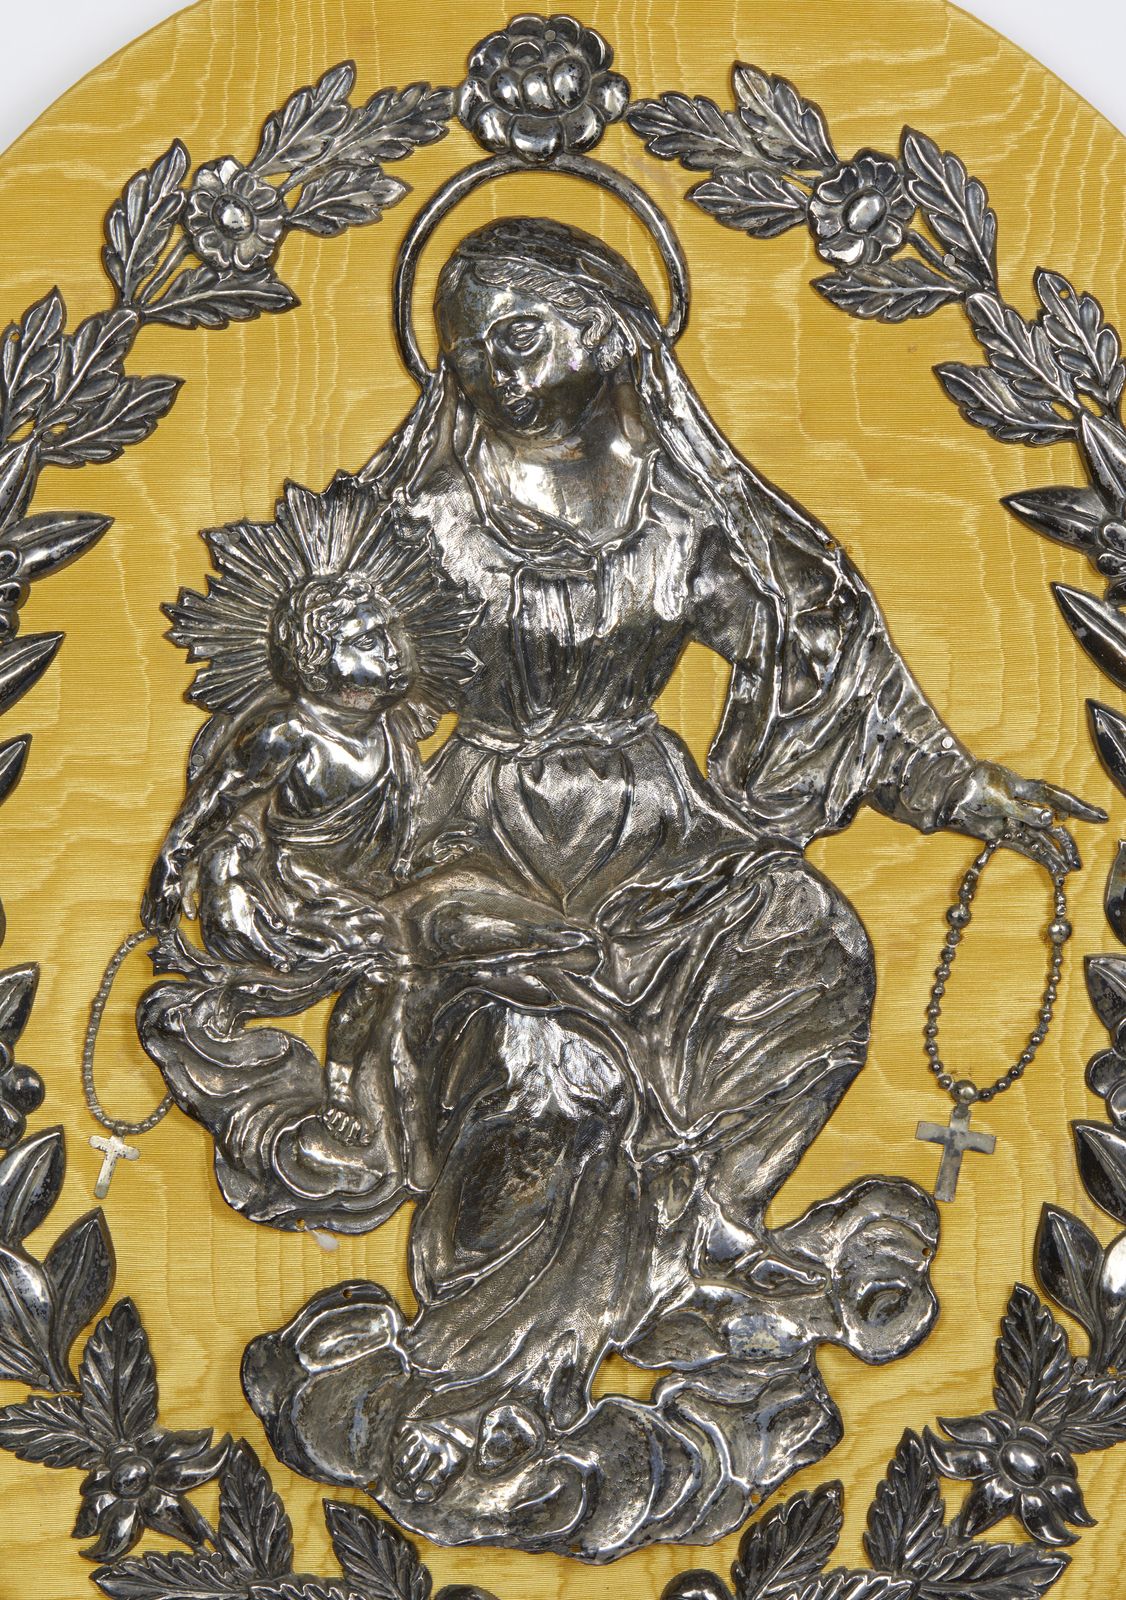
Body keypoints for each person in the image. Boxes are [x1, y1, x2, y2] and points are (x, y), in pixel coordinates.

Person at [233, 215, 1101, 1556]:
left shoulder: (683, 512)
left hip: (656, 831)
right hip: (477, 851)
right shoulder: (411, 519)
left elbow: (822, 652)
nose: (488, 363)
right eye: (466, 346)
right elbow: (313, 698)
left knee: (807, 952)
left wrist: (960, 791)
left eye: (518, 330)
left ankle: (687, 1249)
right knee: (547, 1077)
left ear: (608, 328)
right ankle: (491, 1377)